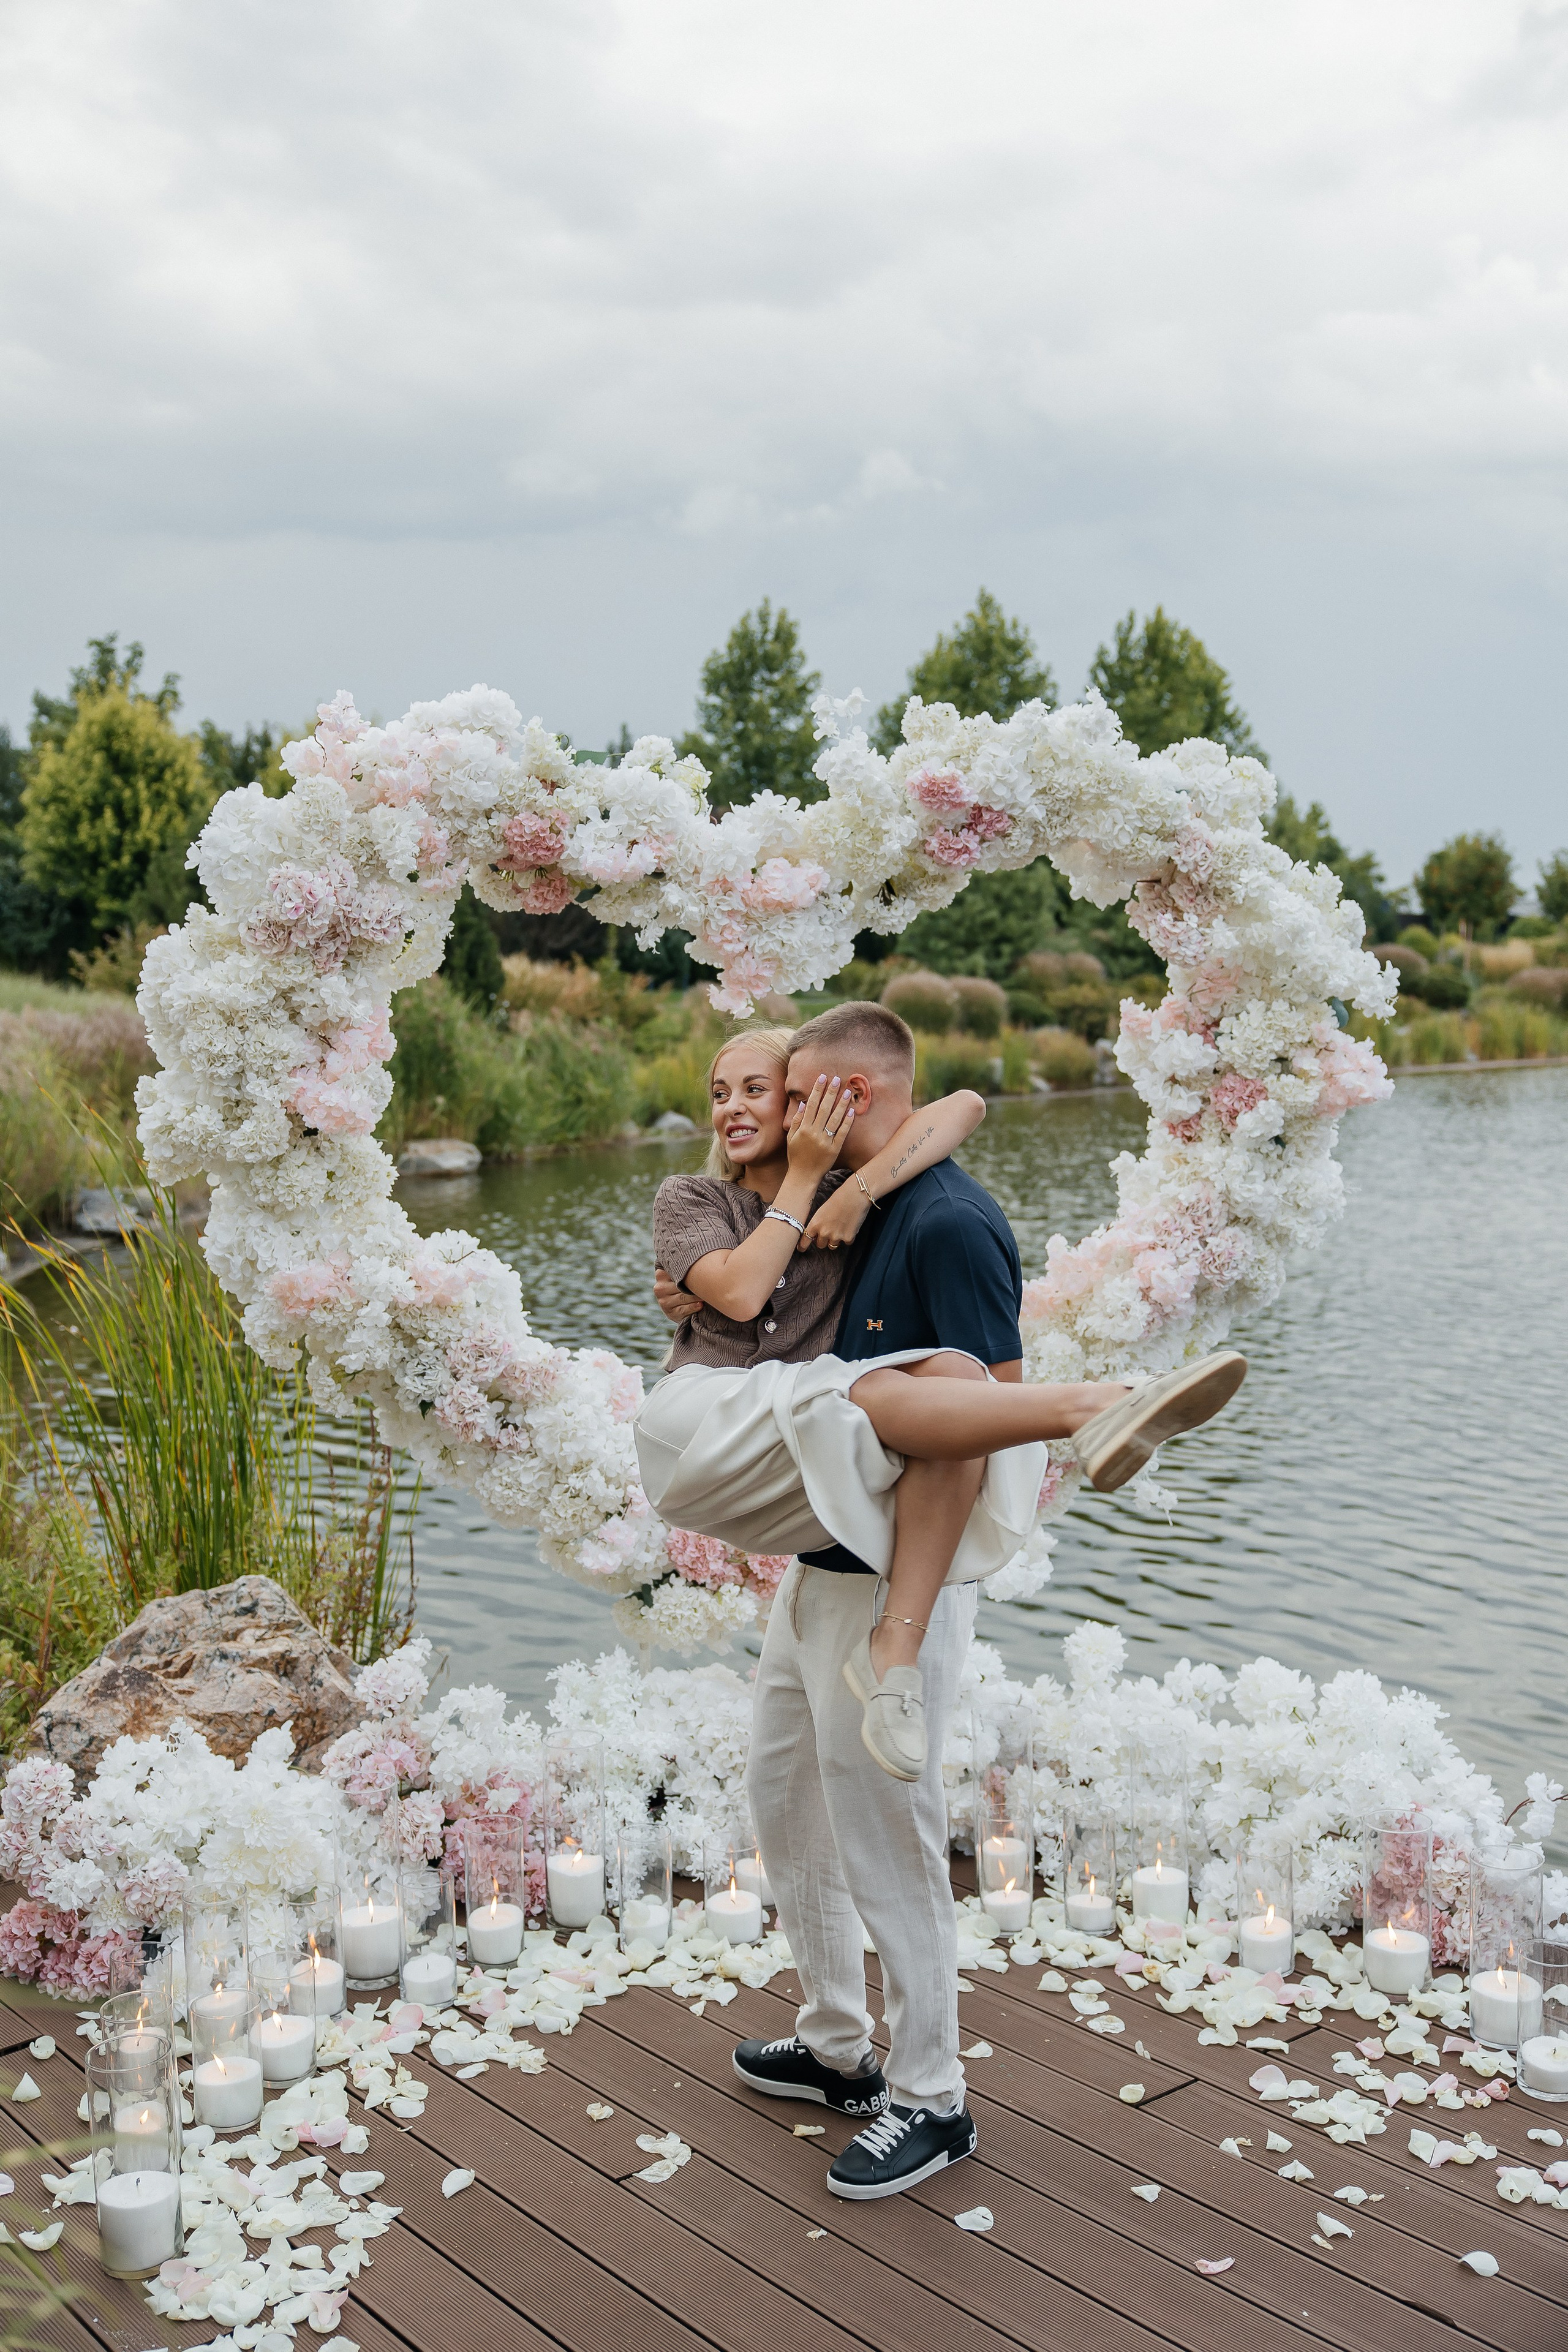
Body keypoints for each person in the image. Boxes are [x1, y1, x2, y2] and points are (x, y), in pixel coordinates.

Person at [638, 1000, 1245, 2201]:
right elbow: (945, 1109)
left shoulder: (952, 1222)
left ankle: (931, 2097)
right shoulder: (839, 1199)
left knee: (885, 1834)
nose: (781, 1109)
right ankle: (834, 2049)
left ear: (846, 1100)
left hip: (888, 1590)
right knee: (782, 1798)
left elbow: (985, 1422)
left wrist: (904, 1631)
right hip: (813, 1571)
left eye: (804, 1090)